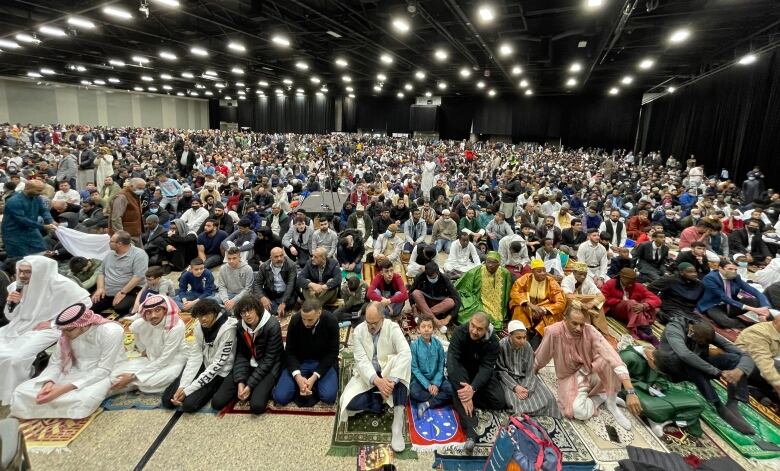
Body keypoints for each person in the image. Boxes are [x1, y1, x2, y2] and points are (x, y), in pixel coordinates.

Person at [534, 302, 643, 430]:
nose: (579, 328)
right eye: (574, 323)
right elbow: (543, 355)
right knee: (577, 412)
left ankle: (611, 402)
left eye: (582, 324)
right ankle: (600, 397)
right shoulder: (554, 332)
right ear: (565, 319)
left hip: (591, 370)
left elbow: (613, 356)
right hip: (569, 376)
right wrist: (534, 369)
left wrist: (630, 391)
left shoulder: (590, 330)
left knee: (609, 360)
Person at [0, 256, 92, 405]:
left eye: (27, 272)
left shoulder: (61, 285)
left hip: (47, 328)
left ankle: (14, 393)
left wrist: (54, 323)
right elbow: (9, 316)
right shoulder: (16, 287)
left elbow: (85, 304)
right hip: (18, 326)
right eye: (20, 271)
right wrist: (12, 303)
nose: (22, 275)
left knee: (15, 358)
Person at [10, 303, 124, 419]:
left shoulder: (111, 331)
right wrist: (49, 383)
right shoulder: (65, 335)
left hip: (104, 373)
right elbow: (56, 363)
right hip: (73, 371)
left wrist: (61, 390)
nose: (63, 334)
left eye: (68, 330)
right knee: (20, 391)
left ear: (82, 325)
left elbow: (104, 369)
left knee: (82, 400)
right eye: (62, 331)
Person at [655, 319, 756, 435]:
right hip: (673, 366)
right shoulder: (674, 329)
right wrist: (717, 372)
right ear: (691, 333)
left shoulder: (706, 331)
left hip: (698, 365)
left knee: (734, 359)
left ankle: (733, 403)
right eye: (700, 342)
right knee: (690, 362)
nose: (702, 345)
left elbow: (744, 355)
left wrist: (739, 370)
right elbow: (684, 354)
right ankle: (718, 405)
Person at [340, 302, 411, 452]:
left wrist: (390, 381)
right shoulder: (358, 331)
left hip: (389, 371)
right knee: (350, 403)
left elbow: (405, 353)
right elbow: (361, 360)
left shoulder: (393, 327)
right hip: (369, 375)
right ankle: (382, 399)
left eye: (374, 323)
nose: (371, 326)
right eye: (368, 322)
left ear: (383, 318)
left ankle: (397, 422)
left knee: (403, 369)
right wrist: (377, 381)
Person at [447, 312, 508, 453]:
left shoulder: (493, 342)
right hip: (461, 370)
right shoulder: (460, 332)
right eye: (472, 326)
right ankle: (471, 434)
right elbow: (452, 361)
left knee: (499, 401)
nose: (474, 331)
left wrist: (472, 389)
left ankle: (460, 397)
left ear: (487, 329)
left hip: (479, 374)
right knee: (461, 392)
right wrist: (465, 391)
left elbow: (487, 368)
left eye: (479, 329)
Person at [211, 296, 283, 414]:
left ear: (257, 310)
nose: (247, 315)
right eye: (243, 312)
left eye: (250, 310)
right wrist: (241, 382)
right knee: (217, 402)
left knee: (257, 406)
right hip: (249, 363)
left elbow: (269, 360)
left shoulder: (272, 325)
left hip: (268, 366)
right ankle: (247, 388)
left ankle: (264, 387)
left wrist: (249, 385)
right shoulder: (240, 326)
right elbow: (241, 354)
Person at [162, 299, 237, 412]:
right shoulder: (198, 325)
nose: (203, 319)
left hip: (219, 371)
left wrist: (188, 390)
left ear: (215, 313)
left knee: (189, 405)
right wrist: (183, 386)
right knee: (167, 400)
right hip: (204, 362)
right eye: (199, 316)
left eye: (206, 315)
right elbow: (194, 356)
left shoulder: (228, 329)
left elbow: (218, 364)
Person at [110, 295, 187, 394]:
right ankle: (134, 383)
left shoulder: (176, 327)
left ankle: (132, 382)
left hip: (173, 361)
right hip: (151, 359)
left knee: (154, 381)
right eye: (149, 312)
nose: (153, 315)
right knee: (116, 375)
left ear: (165, 310)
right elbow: (134, 330)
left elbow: (165, 359)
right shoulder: (142, 323)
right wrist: (143, 350)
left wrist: (134, 376)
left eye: (157, 310)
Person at [272, 299, 339, 407]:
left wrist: (315, 377)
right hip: (300, 361)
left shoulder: (331, 321)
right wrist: (297, 376)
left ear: (319, 313)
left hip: (321, 361)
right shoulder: (295, 320)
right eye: (304, 319)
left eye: (310, 320)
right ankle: (303, 384)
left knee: (329, 397)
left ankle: (311, 383)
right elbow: (289, 351)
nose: (306, 323)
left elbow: (332, 353)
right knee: (281, 397)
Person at [496, 320, 560, 417]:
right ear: (510, 336)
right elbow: (500, 370)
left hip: (525, 378)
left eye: (524, 337)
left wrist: (526, 388)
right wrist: (515, 387)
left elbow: (530, 370)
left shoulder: (527, 346)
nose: (522, 341)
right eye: (518, 338)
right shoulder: (502, 345)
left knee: (549, 398)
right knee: (516, 403)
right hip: (509, 380)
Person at [697, 260, 772, 329]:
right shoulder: (710, 278)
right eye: (730, 269)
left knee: (756, 301)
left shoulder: (736, 277)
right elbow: (724, 298)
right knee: (726, 322)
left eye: (735, 270)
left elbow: (755, 291)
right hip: (714, 306)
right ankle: (751, 325)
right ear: (720, 268)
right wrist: (754, 309)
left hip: (731, 304)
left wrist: (764, 307)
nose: (733, 272)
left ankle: (771, 323)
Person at [91, 231, 148, 316]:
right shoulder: (110, 254)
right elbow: (101, 272)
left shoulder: (139, 255)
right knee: (90, 305)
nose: (109, 243)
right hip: (107, 290)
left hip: (129, 290)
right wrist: (100, 288)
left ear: (120, 244)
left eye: (111, 241)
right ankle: (110, 301)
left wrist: (122, 292)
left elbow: (138, 277)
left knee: (120, 308)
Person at [509, 258, 567, 337]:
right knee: (518, 308)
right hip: (527, 307)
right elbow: (514, 292)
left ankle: (539, 337)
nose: (543, 273)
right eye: (539, 271)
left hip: (545, 310)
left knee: (553, 316)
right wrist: (530, 305)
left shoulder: (551, 282)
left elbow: (561, 302)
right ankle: (522, 333)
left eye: (544, 270)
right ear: (532, 272)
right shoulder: (525, 278)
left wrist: (543, 310)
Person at [601, 268, 661, 345]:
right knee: (631, 303)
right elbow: (603, 298)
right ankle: (644, 329)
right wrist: (620, 301)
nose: (630, 285)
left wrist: (644, 305)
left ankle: (640, 330)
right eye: (628, 282)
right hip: (615, 310)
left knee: (645, 304)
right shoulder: (610, 283)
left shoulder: (638, 286)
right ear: (621, 278)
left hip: (633, 312)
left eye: (632, 282)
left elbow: (657, 300)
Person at [455, 252, 513, 330]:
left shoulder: (505, 273)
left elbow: (506, 294)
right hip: (478, 301)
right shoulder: (477, 271)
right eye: (488, 262)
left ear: (499, 264)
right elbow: (461, 285)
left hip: (497, 308)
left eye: (494, 262)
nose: (490, 265)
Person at [410, 316, 453, 418]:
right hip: (420, 380)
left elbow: (440, 366)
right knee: (414, 393)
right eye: (423, 326)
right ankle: (438, 397)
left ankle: (426, 404)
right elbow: (415, 369)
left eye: (429, 327)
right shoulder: (414, 346)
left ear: (433, 329)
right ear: (418, 329)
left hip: (436, 378)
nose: (426, 329)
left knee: (451, 389)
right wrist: (428, 385)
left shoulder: (438, 345)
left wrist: (436, 384)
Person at [1, 179, 57, 258]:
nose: (41, 193)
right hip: (14, 233)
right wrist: (43, 227)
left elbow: (44, 210)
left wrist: (51, 220)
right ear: (27, 188)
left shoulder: (37, 198)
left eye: (41, 190)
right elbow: (22, 220)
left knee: (41, 251)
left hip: (31, 230)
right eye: (38, 190)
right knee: (19, 258)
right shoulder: (14, 201)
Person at [735, 316, 780, 404]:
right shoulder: (760, 332)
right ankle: (755, 389)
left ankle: (758, 391)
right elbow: (764, 365)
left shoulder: (776, 332)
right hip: (745, 365)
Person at [560, 262, 610, 336]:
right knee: (574, 299)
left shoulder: (587, 281)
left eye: (585, 274)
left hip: (586, 306)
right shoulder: (567, 280)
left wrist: (590, 304)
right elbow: (568, 297)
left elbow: (601, 296)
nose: (583, 277)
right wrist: (585, 308)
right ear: (574, 272)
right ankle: (585, 329)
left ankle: (599, 328)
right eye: (580, 274)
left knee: (598, 302)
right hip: (570, 307)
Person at [411, 262, 461, 331]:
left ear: (438, 272)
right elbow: (411, 292)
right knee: (415, 293)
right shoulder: (420, 276)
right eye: (430, 277)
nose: (432, 278)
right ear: (426, 273)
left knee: (451, 302)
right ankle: (434, 320)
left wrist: (448, 318)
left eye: (434, 277)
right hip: (425, 301)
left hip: (438, 303)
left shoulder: (445, 279)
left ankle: (423, 316)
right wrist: (413, 307)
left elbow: (457, 299)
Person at [252, 247, 298, 317]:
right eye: (276, 257)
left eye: (281, 256)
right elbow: (257, 283)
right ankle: (275, 309)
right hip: (271, 293)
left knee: (291, 300)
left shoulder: (291, 265)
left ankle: (273, 309)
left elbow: (290, 285)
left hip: (286, 294)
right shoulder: (264, 266)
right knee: (256, 298)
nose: (279, 259)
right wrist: (262, 297)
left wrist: (283, 302)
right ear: (271, 258)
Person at [215, 247, 254, 312]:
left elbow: (248, 289)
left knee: (240, 309)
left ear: (239, 258)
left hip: (242, 296)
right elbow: (222, 286)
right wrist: (226, 300)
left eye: (234, 258)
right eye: (229, 259)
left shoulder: (248, 269)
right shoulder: (223, 268)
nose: (231, 261)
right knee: (213, 302)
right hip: (228, 293)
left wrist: (233, 301)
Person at [109, 177, 145, 244]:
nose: (142, 190)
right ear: (131, 186)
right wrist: (121, 236)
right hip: (126, 236)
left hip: (135, 233)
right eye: (139, 188)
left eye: (143, 188)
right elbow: (116, 218)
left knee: (140, 254)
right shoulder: (122, 196)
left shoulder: (134, 195)